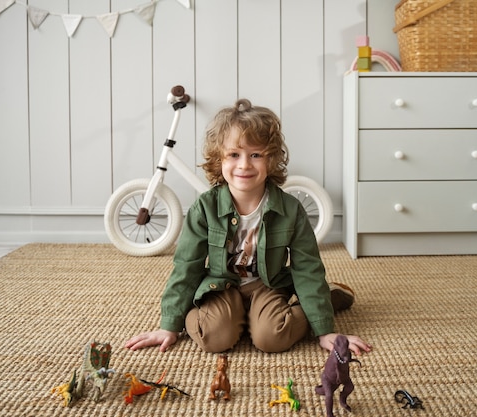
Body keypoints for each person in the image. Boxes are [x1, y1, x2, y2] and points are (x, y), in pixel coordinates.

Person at [125, 98, 371, 356]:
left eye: (255, 155)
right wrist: (169, 327)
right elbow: (187, 266)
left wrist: (324, 330)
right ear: (219, 159)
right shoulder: (204, 208)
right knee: (214, 338)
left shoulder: (290, 209)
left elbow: (307, 267)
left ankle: (326, 300)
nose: (244, 165)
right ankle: (238, 317)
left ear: (271, 160)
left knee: (272, 338)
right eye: (234, 154)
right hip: (222, 284)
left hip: (268, 283)